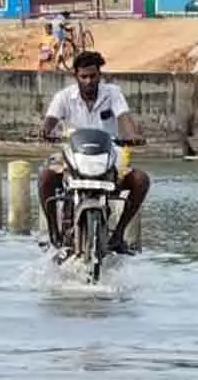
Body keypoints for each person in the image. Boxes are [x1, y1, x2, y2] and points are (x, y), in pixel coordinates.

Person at [38, 50, 150, 254]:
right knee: (45, 177)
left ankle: (118, 236)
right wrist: (45, 131)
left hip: (108, 157)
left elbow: (124, 118)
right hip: (74, 157)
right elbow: (50, 121)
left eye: (93, 76)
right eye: (84, 77)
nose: (89, 81)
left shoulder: (113, 93)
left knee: (141, 180)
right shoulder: (64, 97)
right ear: (76, 76)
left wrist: (132, 134)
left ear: (100, 75)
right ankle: (54, 235)